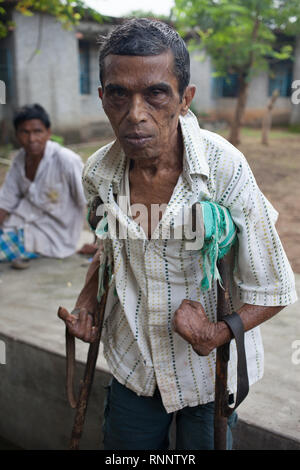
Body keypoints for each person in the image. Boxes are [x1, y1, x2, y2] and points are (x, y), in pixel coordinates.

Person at [58, 19, 297, 450]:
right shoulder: (98, 173)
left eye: (155, 93)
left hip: (208, 376)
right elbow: (109, 244)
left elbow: (275, 287)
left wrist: (217, 333)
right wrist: (88, 299)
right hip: (134, 365)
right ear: (102, 98)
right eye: (118, 94)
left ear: (185, 99)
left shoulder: (225, 169)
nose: (135, 114)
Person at [0, 103, 89, 267]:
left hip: (51, 238)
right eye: (25, 132)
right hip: (17, 227)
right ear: (17, 135)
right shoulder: (19, 160)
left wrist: (99, 244)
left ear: (48, 133)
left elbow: (91, 201)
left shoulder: (66, 160)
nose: (32, 139)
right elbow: (5, 202)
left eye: (37, 131)